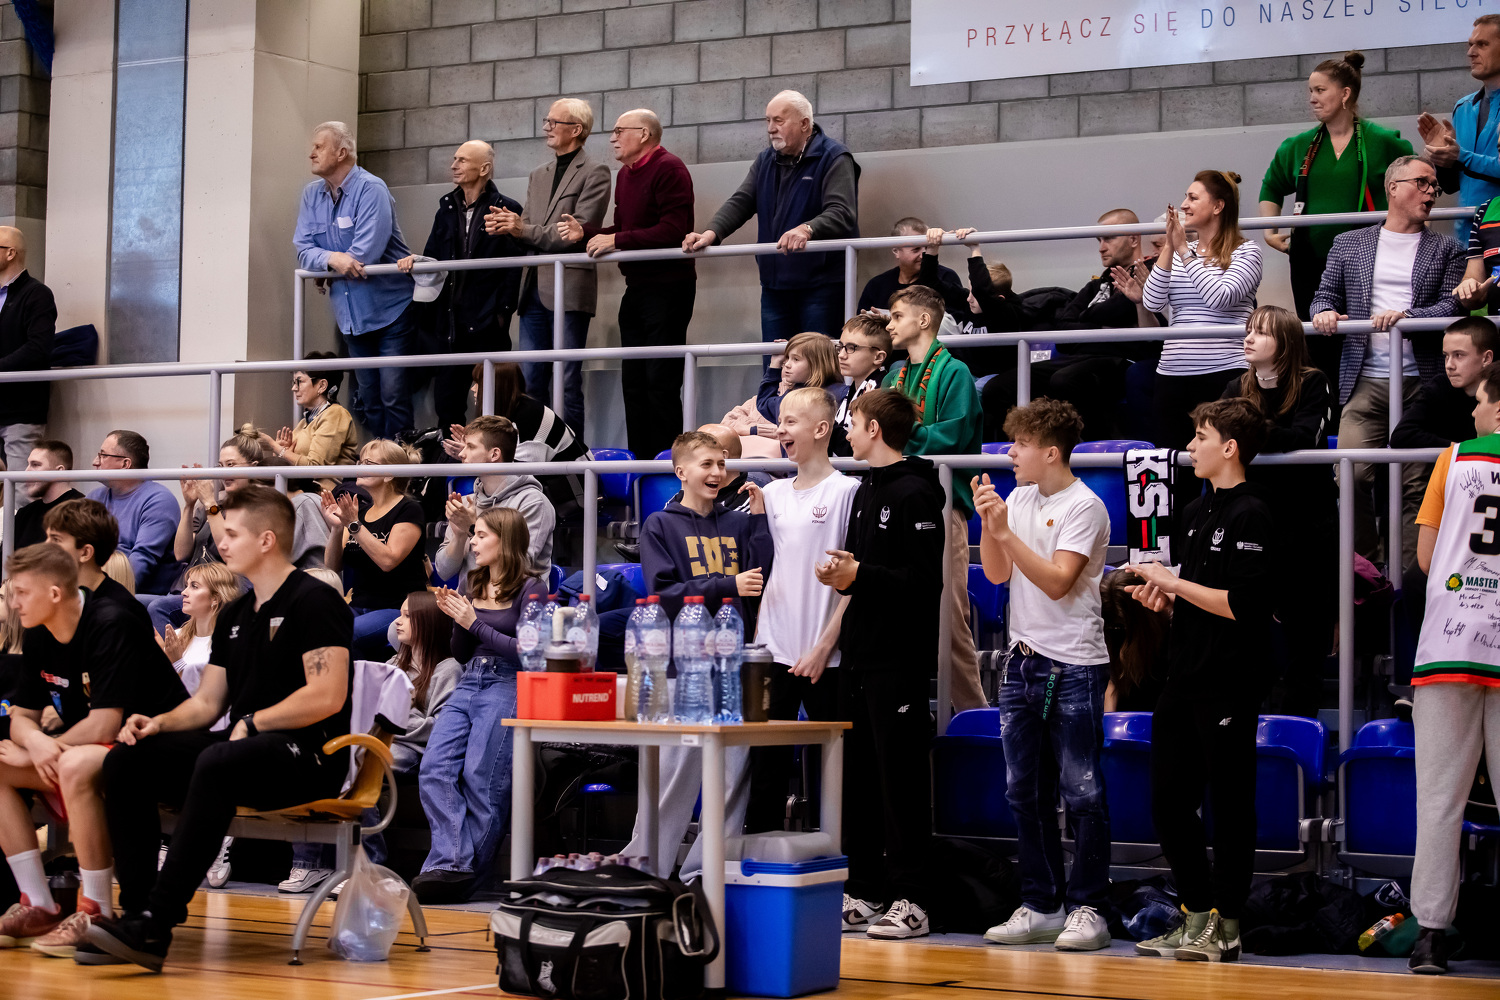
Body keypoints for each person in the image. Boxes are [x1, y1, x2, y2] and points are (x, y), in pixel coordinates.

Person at [86, 486, 354, 972]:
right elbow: (208, 703)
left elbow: (327, 694)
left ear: (267, 540)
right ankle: (138, 915)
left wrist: (253, 721)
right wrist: (157, 723)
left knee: (217, 760)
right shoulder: (236, 612)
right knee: (126, 760)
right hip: (245, 751)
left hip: (309, 756)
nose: (221, 543)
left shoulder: (315, 600)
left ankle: (158, 921)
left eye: (231, 534)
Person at [1128, 398, 1274, 963]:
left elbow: (1244, 605)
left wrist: (1174, 583)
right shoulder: (1193, 510)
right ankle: (1195, 915)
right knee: (1167, 801)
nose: (1190, 447)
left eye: (1201, 437)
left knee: (1230, 806)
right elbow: (1197, 599)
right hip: (1182, 676)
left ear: (1229, 448)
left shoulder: (1253, 513)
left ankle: (1228, 925)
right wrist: (1164, 600)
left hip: (1229, 680)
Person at [972, 399, 1113, 953]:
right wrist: (991, 526)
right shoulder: (1019, 497)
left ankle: (1090, 907)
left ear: (1051, 453)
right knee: (1022, 791)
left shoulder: (1086, 506)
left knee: (1082, 791)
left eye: (1021, 445)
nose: (1011, 453)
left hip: (1073, 661)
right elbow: (997, 574)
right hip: (1021, 659)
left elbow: (1057, 582)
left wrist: (1006, 533)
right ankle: (1041, 904)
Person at [0, 543, 186, 958]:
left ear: (54, 593)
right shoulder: (38, 633)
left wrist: (43, 749)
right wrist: (37, 742)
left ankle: (96, 910)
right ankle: (38, 904)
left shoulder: (109, 621)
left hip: (153, 748)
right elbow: (21, 717)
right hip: (92, 746)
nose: (13, 603)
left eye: (21, 592)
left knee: (74, 764)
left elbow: (105, 723)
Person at [820, 389, 943, 940]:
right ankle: (866, 889)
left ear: (875, 429)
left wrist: (859, 575)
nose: (846, 430)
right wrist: (844, 574)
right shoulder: (865, 489)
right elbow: (864, 572)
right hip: (860, 655)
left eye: (853, 422)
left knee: (901, 781)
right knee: (861, 781)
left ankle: (913, 898)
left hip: (899, 658)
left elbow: (923, 582)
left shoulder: (916, 491)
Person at [623, 431, 772, 878]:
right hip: (679, 669)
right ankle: (644, 875)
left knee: (730, 781)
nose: (717, 472)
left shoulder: (738, 523)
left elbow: (762, 575)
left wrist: (759, 521)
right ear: (681, 471)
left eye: (722, 464)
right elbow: (662, 593)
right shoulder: (659, 525)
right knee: (671, 779)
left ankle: (705, 876)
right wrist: (727, 585)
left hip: (732, 667)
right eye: (706, 464)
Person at [1311, 154, 1466, 567]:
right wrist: (1324, 313)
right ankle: (1370, 569)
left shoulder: (1448, 248)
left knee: (1418, 486)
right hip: (1365, 378)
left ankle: (1411, 576)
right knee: (1350, 475)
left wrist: (1407, 317)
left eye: (1435, 186)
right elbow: (1324, 295)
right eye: (1423, 182)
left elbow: (1451, 305)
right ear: (1393, 187)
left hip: (1424, 381)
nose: (1432, 192)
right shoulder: (1349, 243)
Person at [1406, 362, 1500, 976]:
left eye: (1480, 402)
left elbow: (1423, 556)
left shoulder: (1454, 458)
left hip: (1451, 642)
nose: (1472, 412)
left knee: (1440, 798)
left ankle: (1431, 937)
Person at [287, 588, 463, 896]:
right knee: (320, 764)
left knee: (357, 770)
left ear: (428, 622)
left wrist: (394, 716)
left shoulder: (448, 669)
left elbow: (441, 727)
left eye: (407, 616)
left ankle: (367, 868)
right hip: (373, 740)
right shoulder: (394, 661)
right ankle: (312, 864)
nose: (397, 622)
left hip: (409, 750)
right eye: (400, 614)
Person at [414, 508, 548, 904]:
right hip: (469, 678)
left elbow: (529, 653)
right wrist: (457, 620)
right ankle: (453, 864)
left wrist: (474, 622)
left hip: (509, 681)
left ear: (505, 541)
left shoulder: (532, 589)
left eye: (481, 535)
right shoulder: (471, 581)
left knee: (481, 778)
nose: (472, 541)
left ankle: (460, 874)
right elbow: (459, 652)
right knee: (434, 767)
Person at [742, 388, 858, 834]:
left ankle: (840, 864)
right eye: (780, 422)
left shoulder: (848, 492)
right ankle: (757, 860)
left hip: (827, 656)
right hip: (772, 651)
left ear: (822, 429)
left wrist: (824, 646)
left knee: (838, 772)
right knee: (765, 769)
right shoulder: (770, 493)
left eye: (791, 422)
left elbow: (855, 584)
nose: (781, 430)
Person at [559, 109, 696, 463]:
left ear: (645, 134)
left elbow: (672, 230)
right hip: (636, 288)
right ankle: (641, 466)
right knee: (633, 384)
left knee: (660, 384)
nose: (613, 138)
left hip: (668, 288)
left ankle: (667, 466)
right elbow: (623, 229)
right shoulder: (625, 175)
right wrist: (586, 233)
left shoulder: (670, 168)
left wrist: (616, 239)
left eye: (620, 131)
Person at [1222, 306, 1336, 718]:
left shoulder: (1313, 381)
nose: (1249, 338)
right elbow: (1220, 437)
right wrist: (1257, 435)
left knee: (1306, 639)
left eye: (1261, 333)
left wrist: (1249, 433)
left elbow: (1302, 436)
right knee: (1248, 638)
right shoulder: (1235, 384)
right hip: (1253, 519)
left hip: (1307, 522)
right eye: (1248, 330)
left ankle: (1298, 729)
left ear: (1286, 343)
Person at [1259, 52, 1414, 351]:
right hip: (1308, 260)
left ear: (1345, 94)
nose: (1312, 99)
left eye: (1320, 90)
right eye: (1310, 91)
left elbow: (1417, 182)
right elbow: (1271, 187)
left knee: (1363, 338)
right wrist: (1269, 232)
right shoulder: (1297, 145)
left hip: (1367, 258)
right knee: (1317, 340)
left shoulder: (1383, 141)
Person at [881, 285, 987, 713]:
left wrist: (897, 436)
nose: (889, 325)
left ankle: (975, 718)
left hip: (942, 506)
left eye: (896, 316)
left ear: (923, 320)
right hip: (895, 503)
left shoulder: (955, 371)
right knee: (889, 612)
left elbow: (951, 438)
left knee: (948, 619)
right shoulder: (892, 375)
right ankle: (900, 713)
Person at [684, 90, 860, 342]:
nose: (770, 128)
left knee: (817, 361)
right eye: (767, 120)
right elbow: (742, 200)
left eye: (779, 120)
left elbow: (841, 211)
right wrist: (711, 233)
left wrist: (807, 229)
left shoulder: (834, 157)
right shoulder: (766, 159)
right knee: (775, 362)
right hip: (774, 286)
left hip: (821, 286)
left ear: (804, 124)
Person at [483, 98, 611, 434]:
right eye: (547, 121)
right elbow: (529, 230)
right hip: (532, 290)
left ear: (576, 129)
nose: (546, 128)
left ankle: (572, 455)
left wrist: (521, 229)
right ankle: (533, 451)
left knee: (566, 379)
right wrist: (508, 227)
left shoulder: (596, 172)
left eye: (554, 122)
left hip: (568, 288)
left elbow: (573, 232)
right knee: (531, 380)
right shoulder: (538, 174)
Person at [983, 210, 1163, 440]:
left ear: (1134, 239)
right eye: (1099, 240)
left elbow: (1120, 309)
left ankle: (1092, 452)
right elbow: (1063, 330)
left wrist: (1086, 317)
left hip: (1121, 360)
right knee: (997, 388)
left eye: (1109, 238)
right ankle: (1018, 453)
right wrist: (1103, 328)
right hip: (1081, 358)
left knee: (1066, 380)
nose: (1101, 248)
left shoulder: (1147, 275)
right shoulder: (1094, 286)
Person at [293, 121, 416, 441]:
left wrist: (325, 265)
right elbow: (303, 251)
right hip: (350, 316)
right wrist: (332, 260)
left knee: (393, 395)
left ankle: (400, 464)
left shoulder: (372, 188)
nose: (311, 153)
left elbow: (365, 255)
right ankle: (379, 460)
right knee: (369, 399)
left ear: (342, 152)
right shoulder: (311, 195)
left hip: (390, 311)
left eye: (319, 147)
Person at [396, 140, 525, 434]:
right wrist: (414, 261)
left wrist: (502, 314)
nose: (454, 165)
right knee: (447, 403)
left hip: (487, 322)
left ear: (484, 168)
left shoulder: (507, 209)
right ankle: (449, 461)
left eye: (462, 160)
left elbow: (513, 266)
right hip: (450, 323)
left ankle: (492, 459)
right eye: (455, 159)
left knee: (493, 405)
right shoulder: (445, 208)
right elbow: (433, 257)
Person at [1136, 172, 1260, 463]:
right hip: (1172, 373)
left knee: (1224, 465)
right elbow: (1152, 301)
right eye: (1185, 197)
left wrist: (1183, 251)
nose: (1184, 205)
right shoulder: (1179, 252)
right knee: (1174, 467)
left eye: (1192, 198)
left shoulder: (1246, 252)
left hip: (1225, 373)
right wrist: (1170, 246)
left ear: (1218, 206)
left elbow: (1219, 297)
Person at [156, 562, 241, 889]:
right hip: (181, 728)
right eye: (186, 585)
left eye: (194, 586)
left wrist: (177, 663)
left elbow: (212, 699)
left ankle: (219, 840)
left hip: (220, 729)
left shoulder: (229, 641)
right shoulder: (178, 636)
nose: (184, 592)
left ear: (216, 598)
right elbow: (168, 696)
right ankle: (167, 839)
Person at [321, 439, 426, 660]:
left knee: (344, 634)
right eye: (360, 462)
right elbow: (332, 566)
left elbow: (388, 561)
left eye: (368, 463)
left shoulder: (409, 509)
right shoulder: (359, 513)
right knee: (315, 626)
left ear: (388, 475)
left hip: (398, 608)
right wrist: (337, 528)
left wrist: (353, 524)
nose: (360, 467)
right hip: (359, 604)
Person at [433, 415, 555, 587]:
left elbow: (519, 567)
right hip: (469, 601)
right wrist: (459, 537)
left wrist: (472, 528)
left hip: (513, 600)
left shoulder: (533, 502)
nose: (461, 453)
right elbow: (444, 571)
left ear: (494, 454)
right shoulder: (468, 502)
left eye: (470, 447)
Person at [1421, 15, 1500, 248]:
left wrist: (1460, 156)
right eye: (1471, 44)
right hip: (1466, 240)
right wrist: (1443, 159)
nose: (1471, 52)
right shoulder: (1463, 107)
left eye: (1482, 44)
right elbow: (1453, 185)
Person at [88, 430, 183, 595]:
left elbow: (141, 560)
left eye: (103, 455)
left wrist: (101, 595)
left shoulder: (159, 500)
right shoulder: (94, 497)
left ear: (125, 464)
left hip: (139, 594)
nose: (95, 462)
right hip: (97, 586)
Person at [256, 352, 360, 491]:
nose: (294, 388)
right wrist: (283, 453)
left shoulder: (335, 414)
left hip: (324, 494)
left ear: (322, 386)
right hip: (302, 491)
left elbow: (315, 467)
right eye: (294, 382)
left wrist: (276, 448)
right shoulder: (305, 422)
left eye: (299, 382)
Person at [1392, 316, 1497, 448]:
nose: (1449, 365)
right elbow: (1401, 435)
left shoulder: (1497, 387)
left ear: (1486, 358)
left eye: (1459, 355)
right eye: (1446, 356)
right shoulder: (1440, 387)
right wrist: (1459, 449)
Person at [0, 227, 56, 472]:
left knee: (21, 485)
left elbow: (38, 347)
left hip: (20, 410)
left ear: (10, 253)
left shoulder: (37, 294)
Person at [41, 498, 150, 625]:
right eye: (47, 538)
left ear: (85, 553)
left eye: (56, 539)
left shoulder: (123, 612)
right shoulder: (51, 600)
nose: (45, 546)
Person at [744, 332, 847, 453]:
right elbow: (764, 403)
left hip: (826, 464)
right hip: (792, 465)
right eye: (787, 358)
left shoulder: (842, 394)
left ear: (817, 364)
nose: (787, 364)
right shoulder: (789, 396)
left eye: (796, 359)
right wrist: (775, 363)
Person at [857, 217, 967, 315]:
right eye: (916, 249)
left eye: (927, 248)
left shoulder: (945, 276)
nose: (923, 255)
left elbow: (955, 322)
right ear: (896, 251)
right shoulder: (876, 286)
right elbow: (859, 325)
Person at [1099, 568, 1169, 714]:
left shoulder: (1166, 638)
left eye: (1122, 626)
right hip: (1123, 711)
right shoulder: (1105, 629)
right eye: (1115, 627)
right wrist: (1110, 720)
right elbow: (1110, 682)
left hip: (1159, 707)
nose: (1118, 630)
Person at [832, 315, 892, 455]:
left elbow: (859, 449)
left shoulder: (881, 391)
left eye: (851, 348)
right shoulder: (855, 388)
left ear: (878, 357)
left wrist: (826, 424)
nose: (841, 355)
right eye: (840, 347)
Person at [13, 441, 83, 550]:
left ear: (59, 471)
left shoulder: (81, 509)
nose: (26, 471)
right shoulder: (24, 513)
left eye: (35, 465)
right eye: (28, 464)